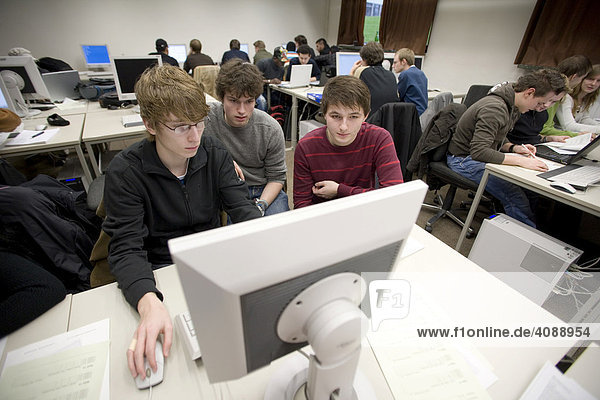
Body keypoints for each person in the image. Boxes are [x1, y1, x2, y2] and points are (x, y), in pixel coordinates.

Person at [102, 65, 261, 379]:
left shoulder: (213, 153)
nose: (195, 136)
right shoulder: (126, 172)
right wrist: (148, 304)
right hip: (158, 272)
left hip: (211, 265)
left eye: (200, 123)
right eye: (180, 127)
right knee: (177, 367)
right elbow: (126, 249)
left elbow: (244, 210)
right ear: (149, 124)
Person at [447, 69, 568, 228]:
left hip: (474, 156)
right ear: (529, 93)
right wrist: (520, 161)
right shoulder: (495, 108)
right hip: (463, 160)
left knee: (529, 189)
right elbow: (479, 151)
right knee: (514, 194)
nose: (544, 107)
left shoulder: (512, 104)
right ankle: (526, 238)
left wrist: (513, 148)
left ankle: (530, 230)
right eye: (542, 102)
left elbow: (496, 136)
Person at [294, 75, 404, 209]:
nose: (344, 127)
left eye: (353, 117)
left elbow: (394, 194)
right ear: (324, 113)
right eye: (336, 116)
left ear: (366, 115)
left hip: (362, 210)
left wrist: (340, 190)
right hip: (321, 216)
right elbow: (301, 204)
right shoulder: (306, 147)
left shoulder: (379, 138)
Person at [205, 59, 289, 216]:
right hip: (227, 189)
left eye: (249, 101)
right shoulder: (207, 119)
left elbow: (277, 178)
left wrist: (261, 205)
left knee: (279, 230)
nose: (241, 110)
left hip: (264, 188)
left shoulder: (270, 129)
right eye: (233, 101)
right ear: (221, 98)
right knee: (238, 234)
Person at [541, 55, 592, 137]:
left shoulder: (554, 89)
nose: (580, 82)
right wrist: (575, 135)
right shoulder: (555, 93)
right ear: (574, 77)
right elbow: (544, 129)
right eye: (582, 78)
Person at [349, 42, 398, 114]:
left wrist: (352, 71)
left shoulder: (362, 71)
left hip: (370, 120)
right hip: (388, 120)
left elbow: (348, 92)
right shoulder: (391, 75)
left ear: (365, 59)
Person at [555, 64, 600, 134]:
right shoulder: (566, 97)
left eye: (598, 81)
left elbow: (583, 119)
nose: (593, 83)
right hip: (559, 136)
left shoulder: (585, 99)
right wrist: (597, 129)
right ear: (581, 79)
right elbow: (569, 126)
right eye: (590, 79)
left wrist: (598, 126)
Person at [393, 48, 428, 115]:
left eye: (395, 63)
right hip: (423, 114)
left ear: (403, 61)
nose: (393, 66)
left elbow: (398, 96)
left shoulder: (405, 74)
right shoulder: (421, 73)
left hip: (411, 115)